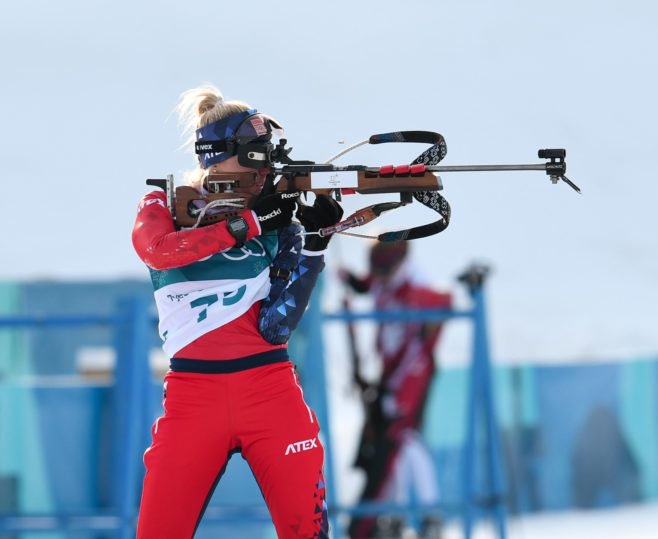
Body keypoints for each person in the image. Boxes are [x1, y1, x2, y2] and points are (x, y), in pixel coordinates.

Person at [131, 85, 343, 539]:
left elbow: (276, 326)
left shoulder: (276, 220)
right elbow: (159, 251)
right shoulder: (165, 205)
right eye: (255, 154)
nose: (266, 166)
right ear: (217, 155)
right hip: (191, 398)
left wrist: (316, 245)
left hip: (270, 390)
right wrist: (249, 224)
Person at [340, 240, 452, 539]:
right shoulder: (383, 279)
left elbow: (444, 301)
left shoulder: (415, 286)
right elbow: (367, 285)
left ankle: (428, 514)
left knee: (404, 439)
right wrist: (351, 280)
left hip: (412, 375)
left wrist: (401, 392)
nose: (381, 277)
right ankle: (395, 514)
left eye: (386, 271)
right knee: (392, 446)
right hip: (389, 374)